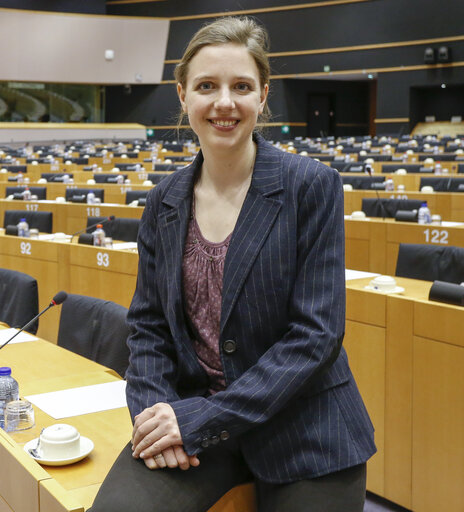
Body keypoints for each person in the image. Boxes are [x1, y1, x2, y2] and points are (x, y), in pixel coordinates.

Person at [90, 16, 375, 512]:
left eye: (241, 86)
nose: (224, 102)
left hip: (305, 427)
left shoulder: (311, 185)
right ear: (183, 96)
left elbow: (316, 336)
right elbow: (148, 327)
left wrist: (202, 419)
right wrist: (155, 415)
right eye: (207, 86)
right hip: (196, 425)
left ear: (262, 96)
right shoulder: (163, 203)